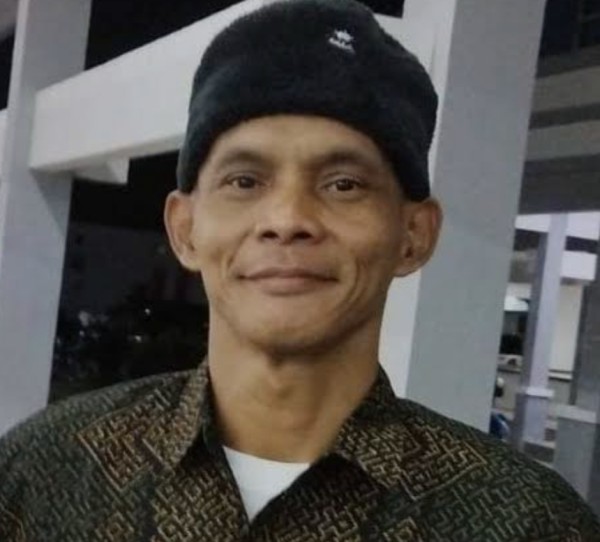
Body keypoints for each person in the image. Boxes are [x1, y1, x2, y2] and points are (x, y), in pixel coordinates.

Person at [1, 0, 599, 540]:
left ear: (413, 235)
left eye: (344, 184)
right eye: (244, 181)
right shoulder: (42, 475)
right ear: (185, 229)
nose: (287, 219)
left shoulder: (528, 522)